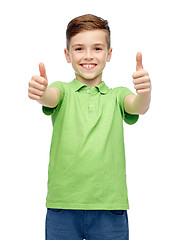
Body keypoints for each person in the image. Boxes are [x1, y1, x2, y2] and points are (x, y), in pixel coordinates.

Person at [28, 14, 151, 240]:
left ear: (108, 54)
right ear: (67, 54)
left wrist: (144, 93)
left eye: (96, 48)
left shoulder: (118, 95)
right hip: (63, 205)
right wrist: (40, 92)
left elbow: (138, 107)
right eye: (78, 49)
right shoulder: (62, 91)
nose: (88, 56)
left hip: (109, 207)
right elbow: (49, 97)